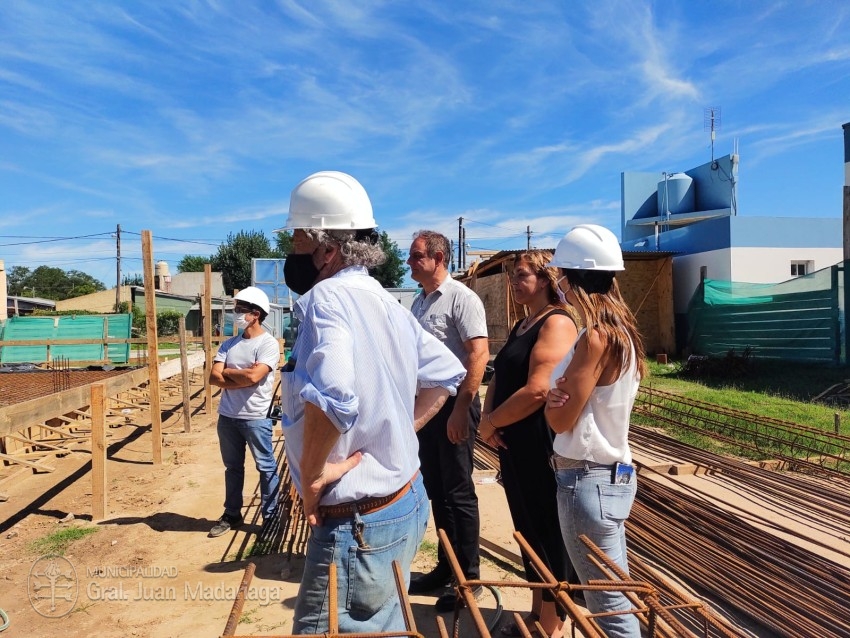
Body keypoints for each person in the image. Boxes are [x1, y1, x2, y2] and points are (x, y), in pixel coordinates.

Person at [277, 171, 466, 634]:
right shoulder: (384, 302)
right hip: (404, 500)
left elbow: (333, 397)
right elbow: (446, 374)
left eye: (297, 237)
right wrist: (400, 426)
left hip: (357, 521)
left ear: (327, 249)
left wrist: (312, 475)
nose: (291, 248)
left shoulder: (325, 299)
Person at [544, 224, 647, 638]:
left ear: (572, 279)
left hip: (585, 479)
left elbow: (560, 420)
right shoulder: (626, 334)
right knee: (616, 593)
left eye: (561, 276)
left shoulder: (595, 338)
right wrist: (559, 395)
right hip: (613, 479)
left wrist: (553, 402)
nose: (559, 285)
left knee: (607, 605)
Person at [477, 250, 579, 638]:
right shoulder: (524, 323)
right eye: (513, 275)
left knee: (546, 527)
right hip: (513, 441)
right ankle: (537, 612)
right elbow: (500, 377)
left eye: (522, 275)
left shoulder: (557, 323)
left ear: (546, 279)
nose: (514, 282)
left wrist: (492, 423)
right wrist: (488, 419)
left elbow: (538, 390)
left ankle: (551, 624)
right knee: (527, 527)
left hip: (539, 443)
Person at [407, 229, 489, 611]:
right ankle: (446, 568)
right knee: (437, 489)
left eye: (416, 256)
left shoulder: (462, 298)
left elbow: (478, 355)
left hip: (455, 405)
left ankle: (468, 579)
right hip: (428, 407)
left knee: (458, 491)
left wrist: (461, 409)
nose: (409, 262)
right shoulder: (419, 302)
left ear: (438, 258)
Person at [208, 286, 282, 538]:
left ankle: (271, 519)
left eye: (240, 309)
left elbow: (254, 376)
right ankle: (232, 514)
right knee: (232, 468)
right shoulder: (229, 344)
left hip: (256, 417)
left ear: (255, 314)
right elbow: (213, 377)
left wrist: (228, 372)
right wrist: (241, 376)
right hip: (228, 416)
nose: (235, 313)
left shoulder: (268, 344)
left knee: (266, 467)